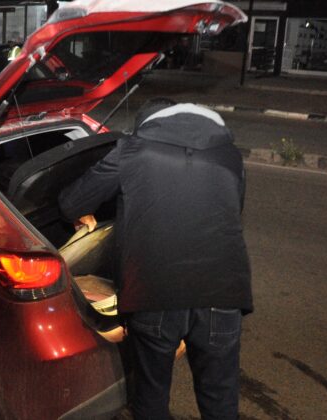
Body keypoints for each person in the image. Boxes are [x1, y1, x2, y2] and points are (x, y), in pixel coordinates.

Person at [59, 98, 253, 419]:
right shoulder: (230, 155)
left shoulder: (132, 150)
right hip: (223, 294)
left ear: (147, 126)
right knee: (220, 400)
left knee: (151, 396)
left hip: (155, 292)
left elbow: (71, 203)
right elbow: (232, 210)